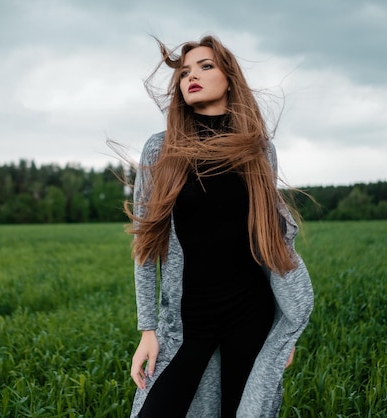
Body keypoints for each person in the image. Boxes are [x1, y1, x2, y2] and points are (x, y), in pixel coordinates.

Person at [125, 35, 314, 417]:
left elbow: (269, 239)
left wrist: (282, 330)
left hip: (251, 314)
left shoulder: (258, 150)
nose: (191, 76)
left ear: (230, 78)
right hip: (187, 322)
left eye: (205, 66)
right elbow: (147, 245)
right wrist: (148, 330)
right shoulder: (161, 149)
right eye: (183, 73)